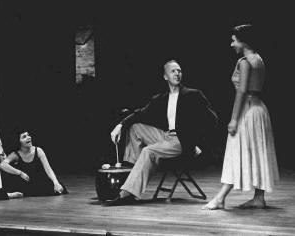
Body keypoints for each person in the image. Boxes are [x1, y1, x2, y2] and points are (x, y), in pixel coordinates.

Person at [107, 60, 217, 205]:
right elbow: (139, 113)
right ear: (165, 76)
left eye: (179, 71)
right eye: (173, 71)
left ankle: (127, 193)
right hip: (166, 136)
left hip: (181, 141)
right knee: (135, 128)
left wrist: (198, 143)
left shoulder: (192, 95)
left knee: (148, 151)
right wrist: (120, 125)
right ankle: (131, 172)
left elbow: (212, 119)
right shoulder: (161, 98)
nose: (177, 74)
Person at [202, 24, 279, 210]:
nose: (231, 44)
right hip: (260, 110)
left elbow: (242, 91)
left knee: (236, 152)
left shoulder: (244, 62)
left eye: (234, 40)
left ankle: (220, 198)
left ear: (243, 41)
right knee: (258, 151)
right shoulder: (259, 59)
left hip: (248, 111)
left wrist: (234, 119)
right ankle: (259, 198)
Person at [1, 129, 68, 196]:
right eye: (24, 137)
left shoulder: (38, 151)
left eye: (28, 135)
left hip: (40, 181)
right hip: (27, 184)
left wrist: (55, 182)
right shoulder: (15, 154)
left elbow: (48, 169)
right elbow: (2, 165)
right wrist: (20, 173)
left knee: (57, 189)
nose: (29, 137)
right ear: (18, 141)